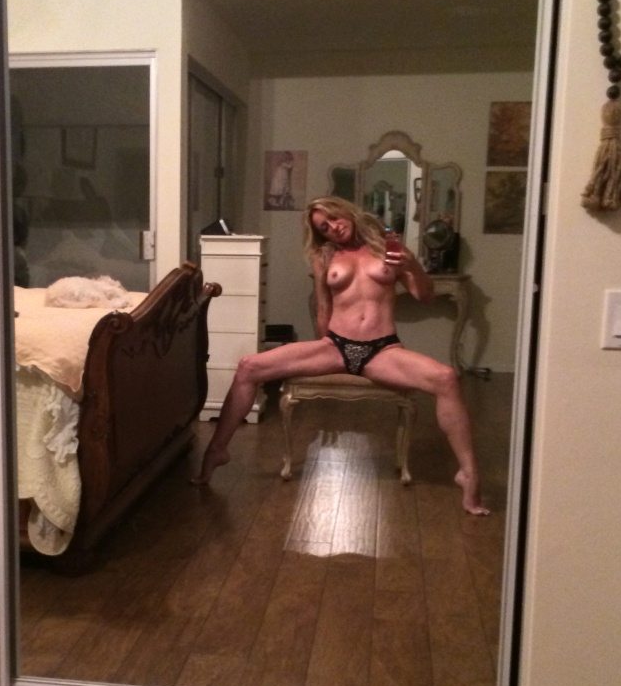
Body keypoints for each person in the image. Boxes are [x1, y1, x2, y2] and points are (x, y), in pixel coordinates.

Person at [194, 196, 489, 515]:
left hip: (382, 349)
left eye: (334, 218)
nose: (333, 228)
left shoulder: (388, 248)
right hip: (336, 345)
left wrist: (411, 266)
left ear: (346, 211)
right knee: (249, 366)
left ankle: (468, 473)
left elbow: (425, 295)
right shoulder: (325, 256)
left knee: (446, 378)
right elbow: (323, 306)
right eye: (324, 227)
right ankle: (217, 451)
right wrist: (323, 350)